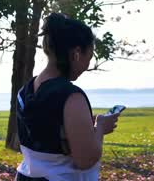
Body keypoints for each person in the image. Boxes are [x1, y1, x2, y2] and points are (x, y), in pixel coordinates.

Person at [15, 13, 119, 181]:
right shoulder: (71, 96)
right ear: (77, 53)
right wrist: (100, 127)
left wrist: (83, 126)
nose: (87, 66)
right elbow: (85, 160)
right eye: (89, 57)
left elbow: (45, 135)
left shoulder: (24, 92)